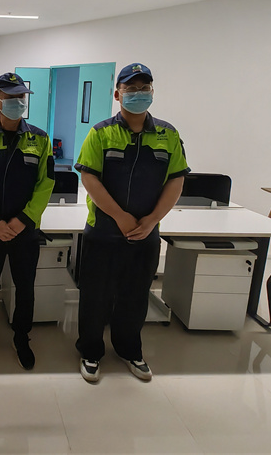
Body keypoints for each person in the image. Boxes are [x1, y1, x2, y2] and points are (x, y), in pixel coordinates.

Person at [75, 63, 189, 383]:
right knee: (95, 295)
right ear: (118, 94)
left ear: (152, 92)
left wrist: (152, 220)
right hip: (104, 229)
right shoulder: (101, 132)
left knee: (136, 294)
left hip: (146, 232)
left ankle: (129, 350)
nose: (138, 94)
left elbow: (176, 180)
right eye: (131, 88)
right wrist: (120, 216)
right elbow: (90, 178)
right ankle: (90, 351)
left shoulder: (168, 134)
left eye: (144, 88)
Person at [0, 72, 55, 370]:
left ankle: (21, 337)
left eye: (21, 97)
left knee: (25, 288)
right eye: (10, 97)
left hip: (25, 230)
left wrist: (24, 220)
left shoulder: (40, 139)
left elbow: (46, 183)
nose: (18, 102)